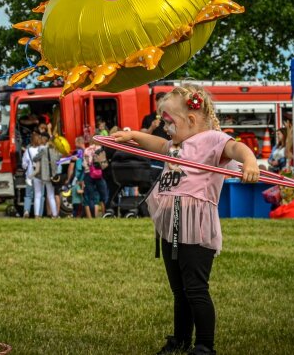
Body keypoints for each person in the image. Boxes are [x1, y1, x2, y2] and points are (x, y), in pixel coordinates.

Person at [111, 84, 259, 355]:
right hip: (171, 223)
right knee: (179, 291)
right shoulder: (176, 145)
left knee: (195, 289)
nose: (166, 129)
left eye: (169, 123)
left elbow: (238, 149)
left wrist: (250, 163)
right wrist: (133, 135)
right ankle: (180, 340)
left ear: (191, 120)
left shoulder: (213, 139)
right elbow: (157, 145)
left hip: (195, 225)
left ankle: (204, 346)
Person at [34, 132, 60, 218]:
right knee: (51, 195)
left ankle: (37, 215)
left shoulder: (43, 150)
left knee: (38, 195)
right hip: (51, 176)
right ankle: (55, 215)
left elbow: (35, 158)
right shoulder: (57, 152)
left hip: (41, 175)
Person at [20, 131, 43, 218]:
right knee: (40, 195)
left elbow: (24, 164)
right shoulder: (41, 150)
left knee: (28, 194)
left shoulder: (28, 150)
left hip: (29, 175)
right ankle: (39, 213)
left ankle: (26, 210)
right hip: (39, 175)